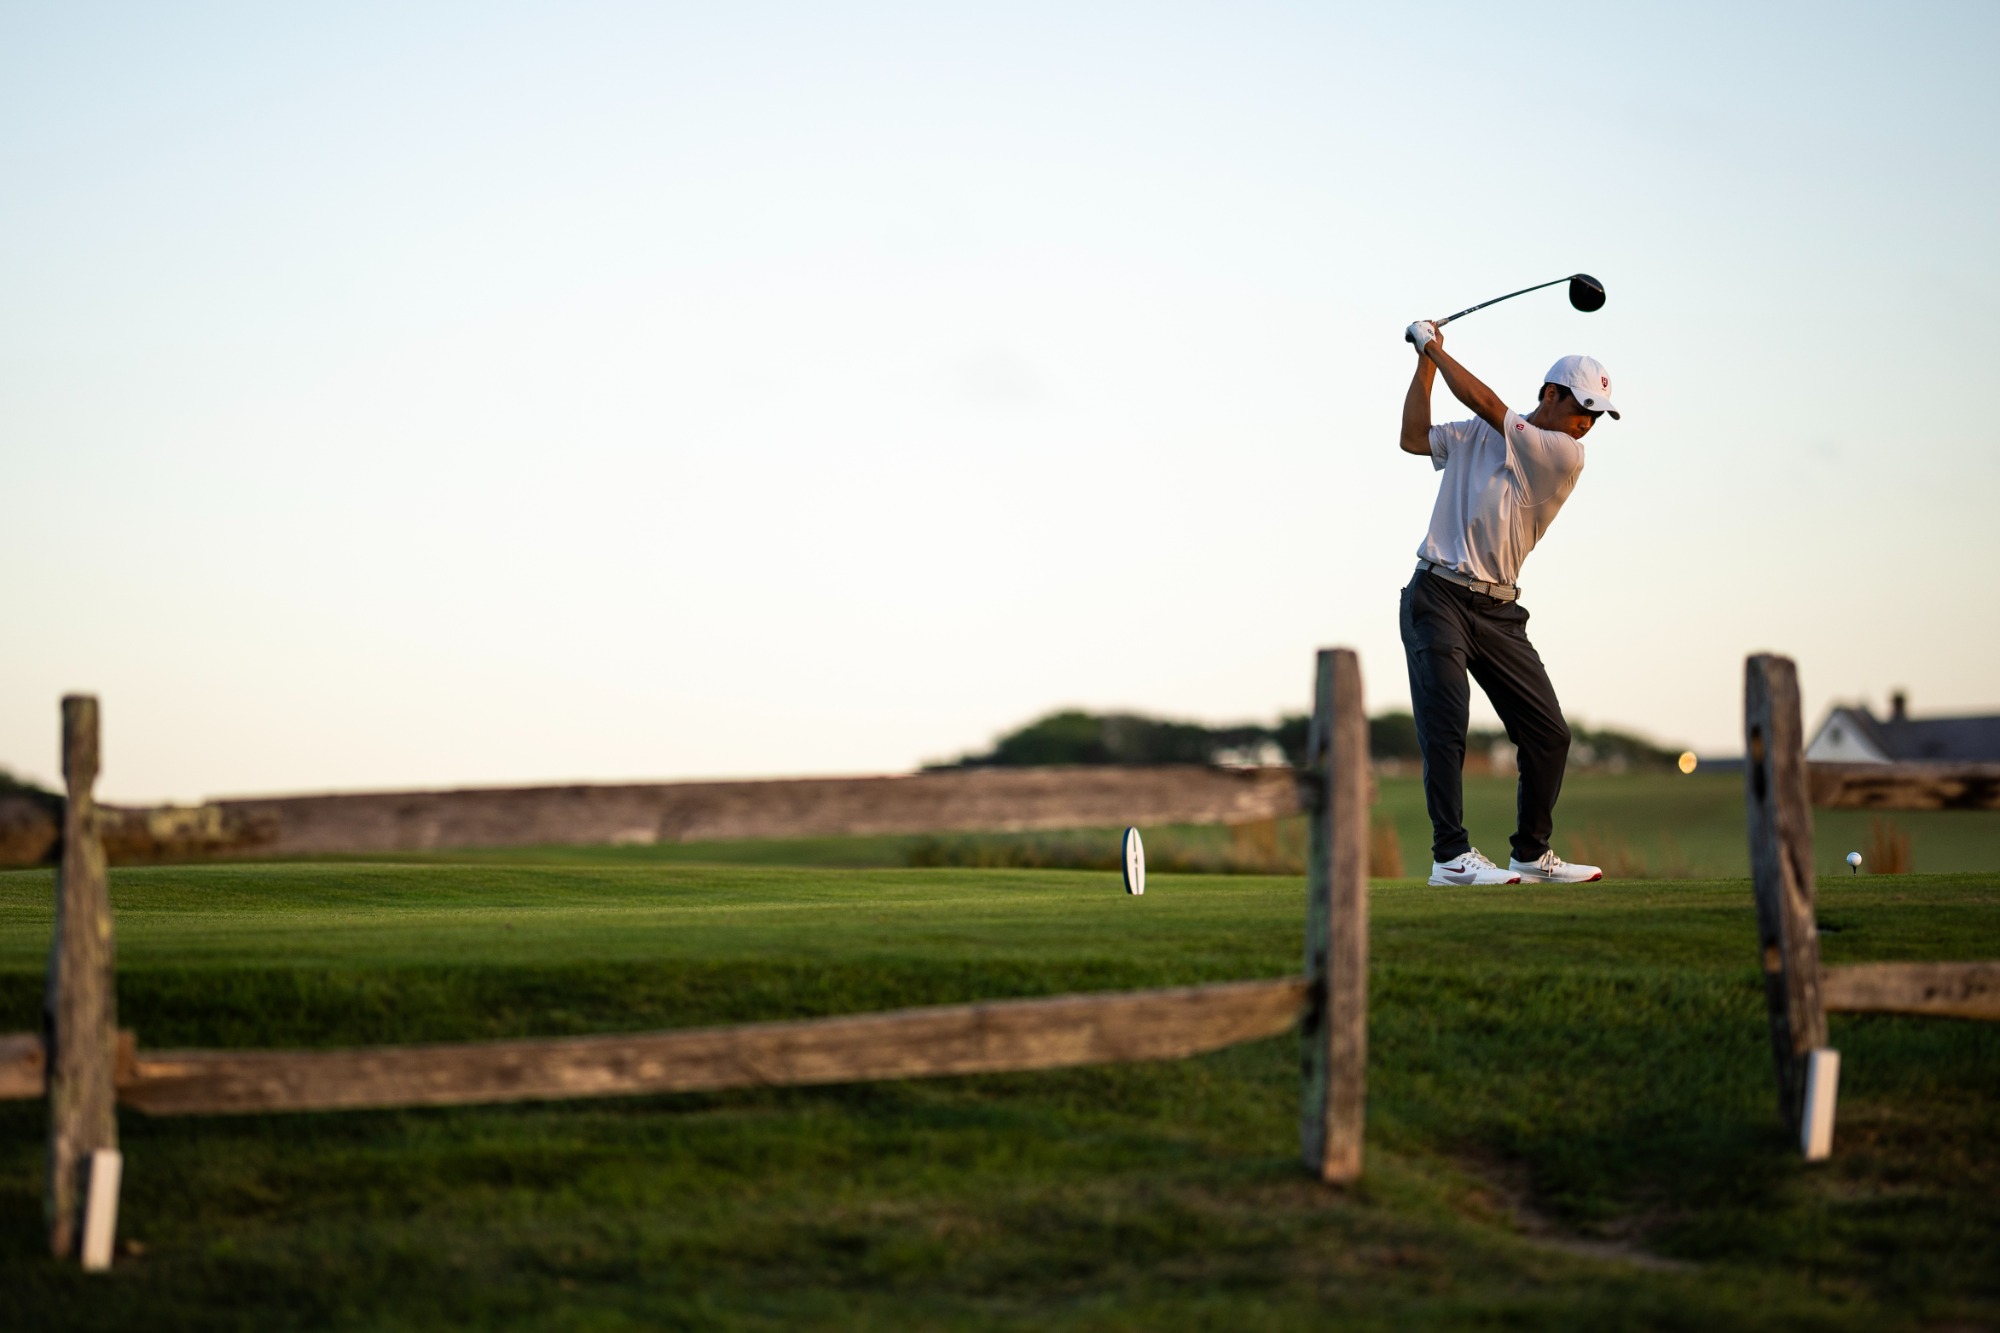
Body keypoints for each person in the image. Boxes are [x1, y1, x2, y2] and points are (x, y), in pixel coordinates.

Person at [1398, 318, 1619, 886]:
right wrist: (1426, 363)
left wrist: (1431, 346)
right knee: (1447, 723)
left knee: (1550, 734)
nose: (1586, 423)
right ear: (1550, 393)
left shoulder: (1562, 454)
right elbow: (1414, 437)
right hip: (1438, 596)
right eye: (1581, 408)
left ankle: (1530, 852)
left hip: (1498, 613)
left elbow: (1486, 399)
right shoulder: (1476, 434)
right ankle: (1451, 856)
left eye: (1595, 416)